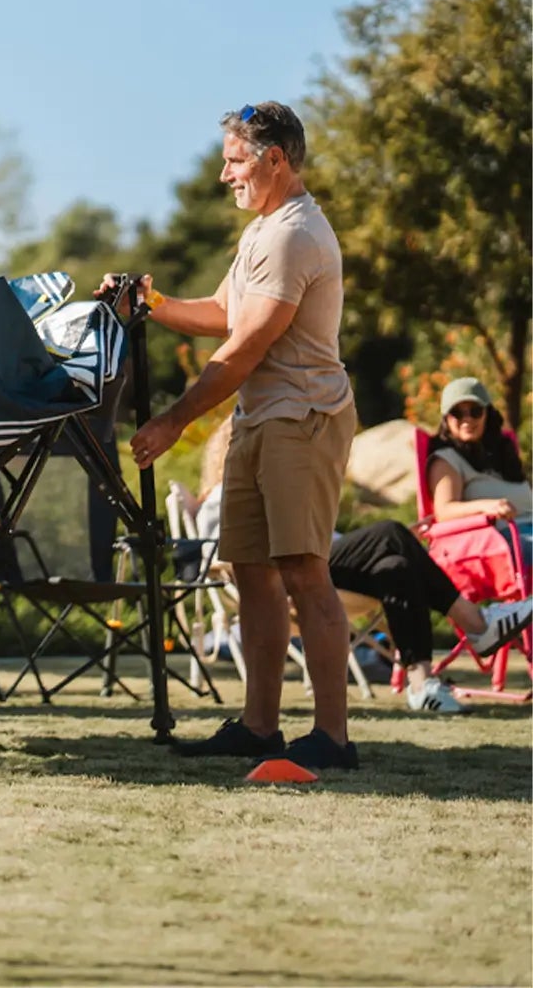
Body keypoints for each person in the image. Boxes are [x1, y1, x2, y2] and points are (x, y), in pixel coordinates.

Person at [105, 101, 361, 770]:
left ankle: (333, 738)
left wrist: (173, 419)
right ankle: (259, 726)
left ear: (275, 159)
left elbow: (244, 350)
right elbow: (223, 313)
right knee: (251, 573)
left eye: (235, 160)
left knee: (305, 572)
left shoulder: (294, 235)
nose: (226, 175)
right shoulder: (261, 232)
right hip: (258, 418)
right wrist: (152, 305)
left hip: (301, 418)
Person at [188, 420, 533, 714]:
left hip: (314, 562)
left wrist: (378, 545)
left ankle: (422, 685)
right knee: (390, 533)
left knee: (395, 564)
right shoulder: (222, 497)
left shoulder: (275, 490)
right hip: (285, 576)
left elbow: (328, 538)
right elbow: (225, 557)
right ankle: (475, 622)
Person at [425, 377, 531, 569]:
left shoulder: (500, 456)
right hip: (501, 541)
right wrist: (488, 506)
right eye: (457, 413)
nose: (467, 420)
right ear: (446, 418)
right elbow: (444, 511)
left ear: (487, 414)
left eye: (475, 411)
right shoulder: (446, 459)